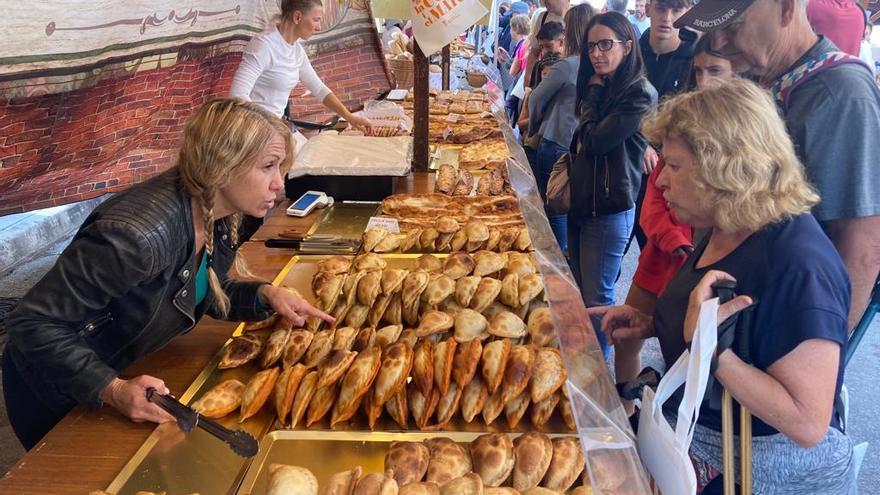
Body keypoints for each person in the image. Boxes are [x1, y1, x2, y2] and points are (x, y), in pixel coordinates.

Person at [3, 99, 335, 450]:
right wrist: (112, 389)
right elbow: (32, 323)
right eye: (268, 167)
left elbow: (194, 290)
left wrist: (264, 295)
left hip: (126, 370)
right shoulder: (135, 237)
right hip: (56, 390)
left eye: (280, 168)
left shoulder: (217, 213)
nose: (279, 185)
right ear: (222, 164)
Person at [590, 79, 856, 494]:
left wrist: (715, 352)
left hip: (755, 475)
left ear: (725, 166)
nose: (660, 182)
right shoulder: (725, 224)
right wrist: (652, 323)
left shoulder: (800, 264)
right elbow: (731, 328)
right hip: (695, 443)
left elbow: (807, 422)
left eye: (674, 166)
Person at [676, 0, 880, 332]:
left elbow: (863, 244)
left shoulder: (839, 93)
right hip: (735, 323)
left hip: (782, 336)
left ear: (786, 8)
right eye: (716, 29)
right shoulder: (762, 81)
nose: (720, 44)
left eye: (733, 26)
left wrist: (821, 356)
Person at [615, 35, 734, 415]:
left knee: (687, 350)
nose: (704, 79)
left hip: (704, 267)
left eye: (714, 70)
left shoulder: (734, 143)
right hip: (662, 257)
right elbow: (651, 199)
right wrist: (671, 239)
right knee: (628, 334)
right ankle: (627, 411)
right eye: (698, 70)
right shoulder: (681, 129)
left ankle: (654, 417)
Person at [570, 12, 657, 358]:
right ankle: (583, 366)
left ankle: (598, 381)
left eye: (606, 44)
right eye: (592, 46)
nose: (597, 53)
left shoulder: (638, 93)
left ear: (627, 45)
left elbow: (594, 142)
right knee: (582, 295)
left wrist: (590, 96)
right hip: (583, 202)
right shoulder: (606, 87)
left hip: (609, 209)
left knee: (598, 300)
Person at [229, 0, 371, 131]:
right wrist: (272, 125)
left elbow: (320, 89)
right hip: (254, 130)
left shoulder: (296, 51)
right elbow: (237, 95)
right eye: (316, 20)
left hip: (274, 127)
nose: (319, 27)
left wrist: (350, 117)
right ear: (297, 17)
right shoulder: (264, 45)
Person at [527, 3, 595, 255]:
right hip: (581, 148)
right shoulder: (600, 67)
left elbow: (535, 99)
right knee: (569, 209)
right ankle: (565, 258)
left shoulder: (567, 65)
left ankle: (556, 261)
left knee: (552, 209)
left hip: (556, 142)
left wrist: (533, 127)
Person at [628, 0, 695, 251]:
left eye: (676, 10)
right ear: (648, 9)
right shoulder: (630, 52)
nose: (667, 17)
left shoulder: (695, 63)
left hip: (665, 179)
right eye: (661, 8)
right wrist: (641, 141)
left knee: (659, 260)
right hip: (620, 169)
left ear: (687, 12)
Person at [524, 0, 571, 88]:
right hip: (545, 79)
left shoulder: (578, 17)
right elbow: (534, 51)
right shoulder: (543, 17)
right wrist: (528, 78)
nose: (542, 1)